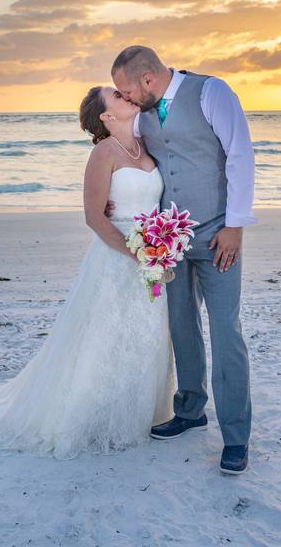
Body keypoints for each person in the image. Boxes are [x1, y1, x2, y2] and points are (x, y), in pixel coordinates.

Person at [0, 85, 175, 460]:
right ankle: (91, 417)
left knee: (145, 335)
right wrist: (137, 252)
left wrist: (162, 245)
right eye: (115, 95)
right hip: (118, 258)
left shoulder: (147, 144)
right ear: (105, 116)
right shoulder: (103, 153)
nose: (125, 95)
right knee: (104, 336)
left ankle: (139, 411)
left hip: (152, 256)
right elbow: (94, 217)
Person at [109, 45, 257, 475]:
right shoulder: (142, 111)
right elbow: (129, 156)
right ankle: (191, 409)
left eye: (127, 90)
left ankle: (236, 437)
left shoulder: (212, 93)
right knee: (180, 324)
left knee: (226, 330)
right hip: (167, 241)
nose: (126, 98)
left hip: (217, 237)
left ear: (148, 80)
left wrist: (235, 225)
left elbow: (240, 156)